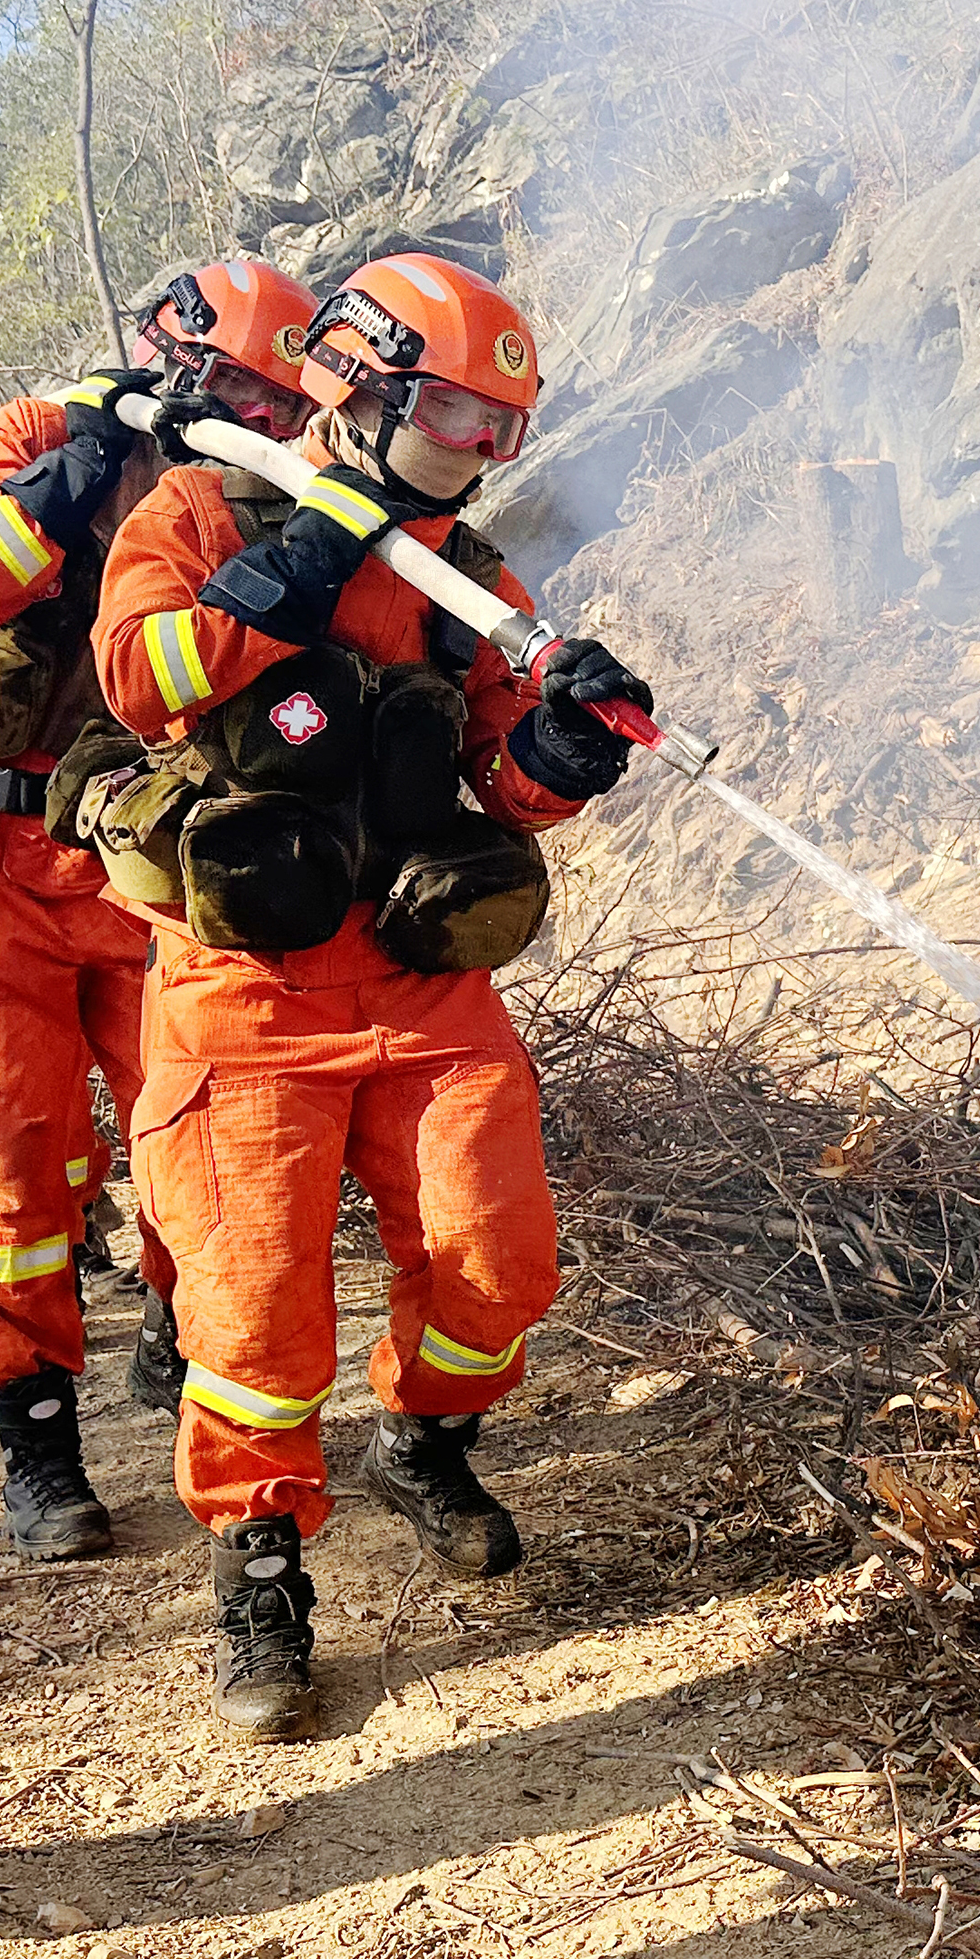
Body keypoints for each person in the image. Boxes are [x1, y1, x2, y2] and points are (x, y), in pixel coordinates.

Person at [92, 251, 658, 1741]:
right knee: (253, 1310)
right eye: (464, 416)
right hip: (246, 992)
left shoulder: (467, 578)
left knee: (497, 1256)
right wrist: (295, 569)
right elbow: (143, 679)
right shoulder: (199, 510)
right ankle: (260, 1567)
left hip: (420, 978)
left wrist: (563, 750)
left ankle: (426, 1439)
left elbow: (496, 781)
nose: (483, 453)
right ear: (366, 379)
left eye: (506, 431)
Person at [0, 255, 321, 1563]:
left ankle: (184, 1334)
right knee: (9, 1156)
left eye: (275, 400)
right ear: (174, 354)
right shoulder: (39, 434)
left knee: (198, 1135)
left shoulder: (255, 502)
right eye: (240, 387)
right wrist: (69, 476)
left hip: (145, 858)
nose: (255, 418)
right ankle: (37, 1445)